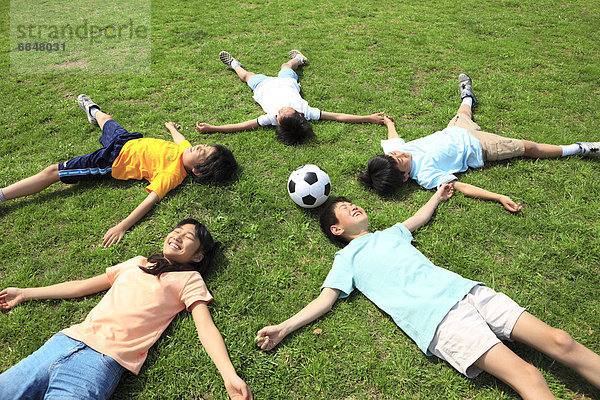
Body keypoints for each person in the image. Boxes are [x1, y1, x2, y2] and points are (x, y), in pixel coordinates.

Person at [255, 186, 600, 399]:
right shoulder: (346, 259)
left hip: (468, 292)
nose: (353, 207)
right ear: (337, 228)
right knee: (528, 376)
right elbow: (325, 299)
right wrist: (283, 328)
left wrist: (437, 196)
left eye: (353, 203)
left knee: (561, 341)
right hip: (440, 322)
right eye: (344, 209)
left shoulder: (391, 233)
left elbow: (416, 218)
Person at [0, 218, 252, 400]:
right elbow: (82, 287)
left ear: (198, 256)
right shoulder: (137, 263)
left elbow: (205, 328)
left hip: (100, 363)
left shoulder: (189, 279)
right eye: (176, 231)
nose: (177, 236)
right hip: (63, 342)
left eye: (188, 237)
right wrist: (25, 293)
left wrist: (229, 376)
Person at [0, 95, 238, 247]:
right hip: (125, 141)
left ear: (197, 171)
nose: (201, 146)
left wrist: (122, 226)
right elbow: (181, 139)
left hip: (111, 160)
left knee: (53, 171)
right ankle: (92, 110)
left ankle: (3, 195)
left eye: (205, 152)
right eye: (206, 146)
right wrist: (170, 127)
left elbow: (150, 200)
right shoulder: (186, 151)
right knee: (107, 119)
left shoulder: (173, 174)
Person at [358, 74, 600, 212]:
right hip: (480, 147)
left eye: (396, 155)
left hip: (454, 130)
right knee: (528, 147)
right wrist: (498, 197)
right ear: (404, 178)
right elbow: (462, 187)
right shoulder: (426, 175)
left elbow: (393, 140)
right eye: (401, 162)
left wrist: (389, 123)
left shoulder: (392, 153)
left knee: (464, 110)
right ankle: (579, 148)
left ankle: (467, 95)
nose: (401, 155)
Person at [195, 50, 386, 145]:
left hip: (262, 86)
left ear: (277, 122)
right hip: (286, 81)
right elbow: (338, 116)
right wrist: (368, 118)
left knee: (246, 76)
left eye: (279, 114)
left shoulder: (270, 118)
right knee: (286, 67)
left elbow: (242, 126)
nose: (280, 110)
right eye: (286, 110)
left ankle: (234, 64)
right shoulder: (307, 112)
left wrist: (213, 128)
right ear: (298, 114)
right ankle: (298, 59)